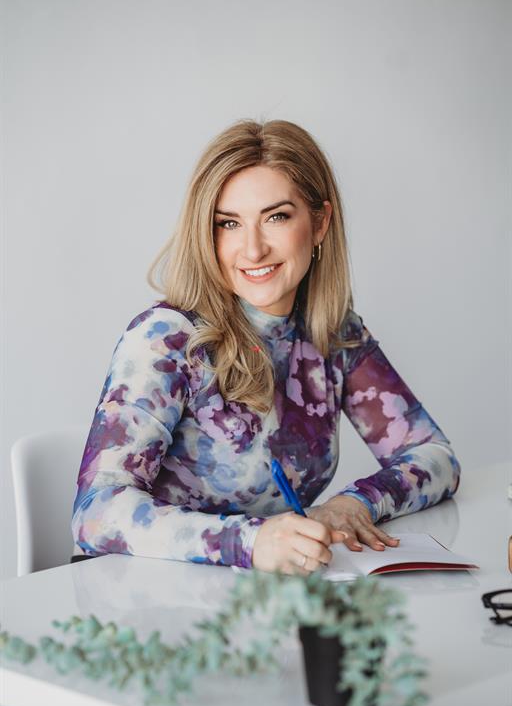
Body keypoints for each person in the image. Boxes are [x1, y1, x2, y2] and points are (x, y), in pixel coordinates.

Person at [71, 118, 461, 575]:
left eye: (276, 217)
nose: (252, 250)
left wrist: (356, 504)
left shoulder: (332, 335)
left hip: (267, 600)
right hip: (154, 600)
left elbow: (436, 457)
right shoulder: (166, 339)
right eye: (228, 224)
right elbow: (95, 515)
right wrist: (250, 541)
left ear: (319, 223)